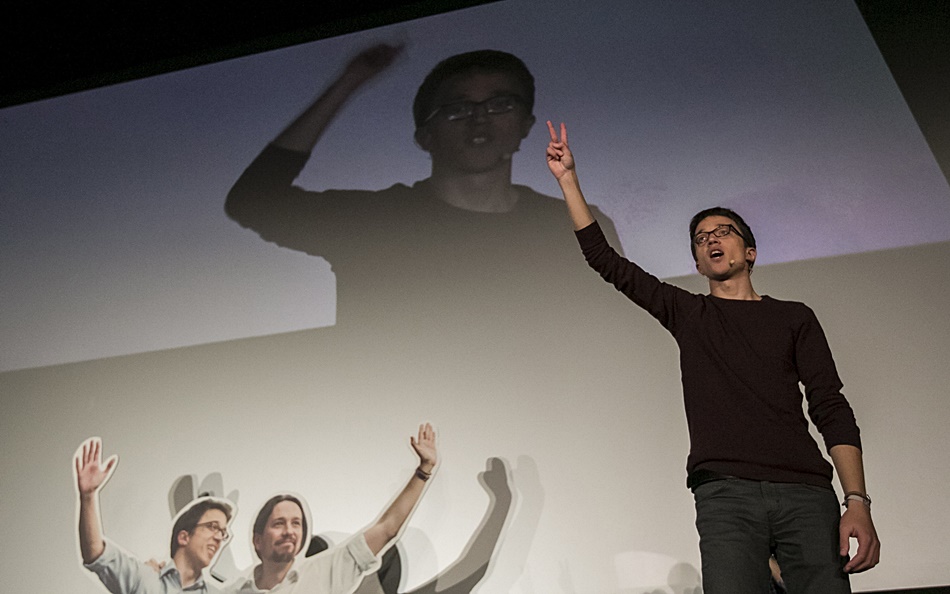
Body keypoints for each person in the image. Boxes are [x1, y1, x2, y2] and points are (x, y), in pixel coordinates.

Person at [545, 121, 880, 593]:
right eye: (701, 239)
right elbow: (606, 261)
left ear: (751, 250)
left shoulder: (794, 318)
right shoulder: (690, 313)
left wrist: (857, 502)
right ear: (698, 263)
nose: (712, 240)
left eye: (724, 232)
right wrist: (568, 181)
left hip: (805, 492)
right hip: (725, 492)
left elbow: (831, 407)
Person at [224, 45, 622, 337]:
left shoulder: (571, 226)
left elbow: (617, 328)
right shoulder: (375, 223)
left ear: (526, 124)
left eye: (500, 104)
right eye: (457, 108)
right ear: (424, 136)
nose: (479, 119)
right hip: (395, 436)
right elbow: (253, 201)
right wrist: (347, 84)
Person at [223, 423, 438, 594]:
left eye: (296, 523)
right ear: (257, 540)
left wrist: (423, 471)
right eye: (279, 523)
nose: (289, 531)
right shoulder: (234, 591)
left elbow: (386, 528)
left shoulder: (325, 573)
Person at [74, 437, 235, 593]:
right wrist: (88, 497)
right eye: (212, 527)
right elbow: (95, 552)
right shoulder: (144, 579)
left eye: (222, 532)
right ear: (184, 537)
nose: (219, 537)